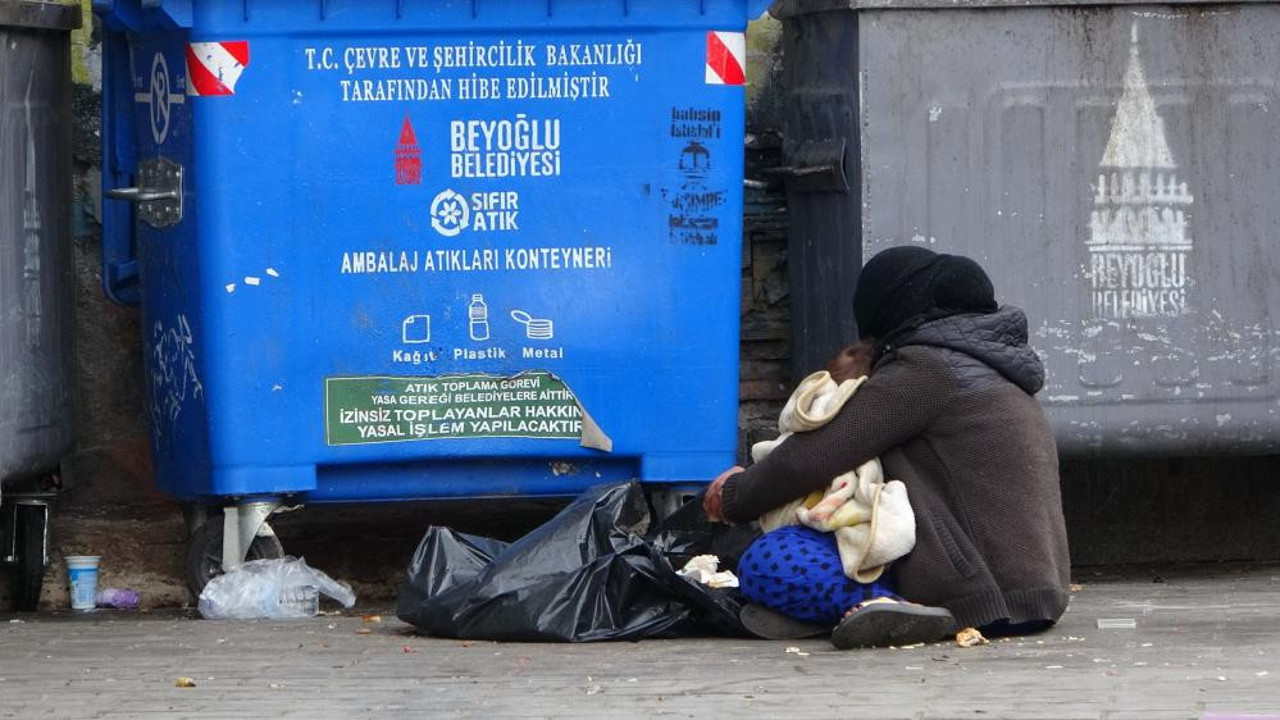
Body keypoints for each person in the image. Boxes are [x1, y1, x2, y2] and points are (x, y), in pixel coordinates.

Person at [704, 246, 1071, 649]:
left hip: (981, 597)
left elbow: (815, 456)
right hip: (1036, 594)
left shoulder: (929, 370)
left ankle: (875, 604)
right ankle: (861, 609)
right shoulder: (995, 370)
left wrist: (737, 494)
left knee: (769, 560)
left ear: (892, 311)